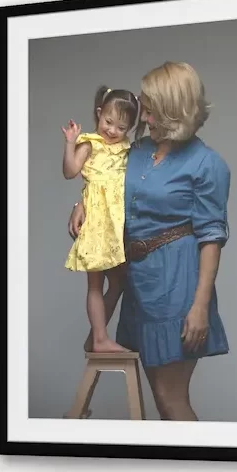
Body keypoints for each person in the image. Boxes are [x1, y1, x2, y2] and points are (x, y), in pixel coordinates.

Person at [115, 61, 230, 420]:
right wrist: (79, 205)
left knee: (170, 396)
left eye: (151, 109)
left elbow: (212, 238)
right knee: (158, 395)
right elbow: (104, 186)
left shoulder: (206, 164)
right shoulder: (134, 152)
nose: (143, 117)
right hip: (139, 285)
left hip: (178, 286)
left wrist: (200, 306)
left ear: (174, 109)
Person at [62, 86, 137, 353]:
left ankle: (97, 335)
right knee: (96, 283)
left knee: (119, 281)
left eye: (121, 127)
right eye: (108, 122)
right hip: (96, 220)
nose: (113, 131)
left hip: (117, 224)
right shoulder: (90, 143)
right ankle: (100, 339)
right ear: (98, 114)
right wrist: (71, 142)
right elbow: (70, 171)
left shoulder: (127, 148)